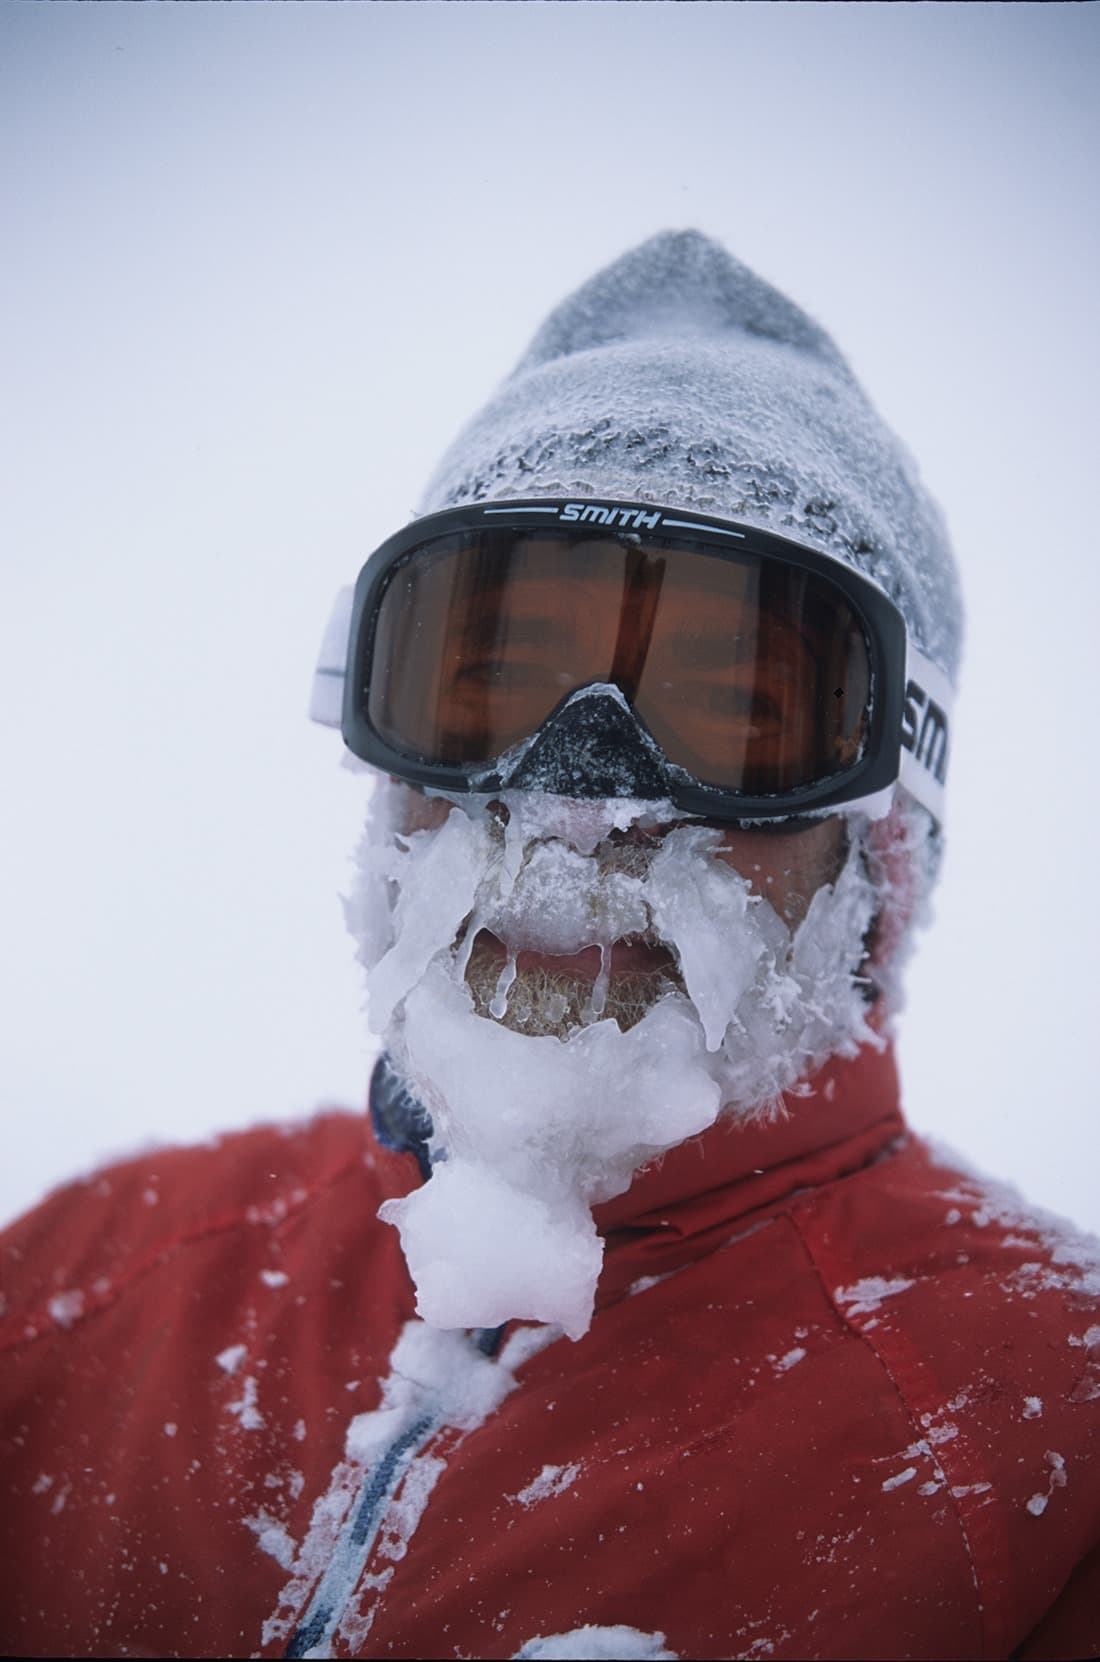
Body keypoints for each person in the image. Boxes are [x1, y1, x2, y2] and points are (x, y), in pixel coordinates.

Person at [2, 232, 1097, 1662]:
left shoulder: (1044, 1446)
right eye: (491, 681)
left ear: (884, 842)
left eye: (729, 714)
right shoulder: (87, 1284)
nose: (578, 807)